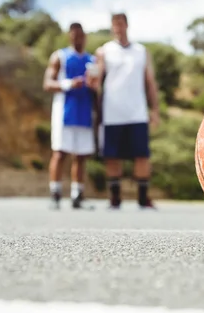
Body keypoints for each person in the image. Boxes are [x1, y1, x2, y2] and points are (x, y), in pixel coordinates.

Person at [89, 12, 160, 210]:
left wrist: (155, 109)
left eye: (121, 23)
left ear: (127, 25)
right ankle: (114, 198)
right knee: (112, 156)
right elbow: (96, 80)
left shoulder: (141, 51)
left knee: (141, 155)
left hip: (137, 111)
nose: (118, 27)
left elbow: (150, 82)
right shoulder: (104, 51)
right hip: (112, 112)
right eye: (114, 24)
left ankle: (143, 198)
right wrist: (92, 84)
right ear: (112, 27)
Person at [42, 22, 99, 210]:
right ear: (69, 36)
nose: (77, 39)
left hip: (85, 113)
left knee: (81, 156)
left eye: (80, 35)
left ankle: (77, 195)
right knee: (60, 153)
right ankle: (55, 194)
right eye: (74, 35)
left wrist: (94, 87)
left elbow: (97, 89)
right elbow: (48, 84)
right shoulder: (59, 56)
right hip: (64, 112)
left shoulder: (92, 61)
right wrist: (68, 84)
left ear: (85, 37)